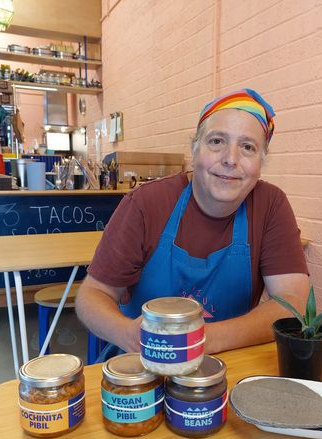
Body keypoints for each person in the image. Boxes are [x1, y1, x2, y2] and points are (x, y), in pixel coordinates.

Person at [76, 88, 310, 360]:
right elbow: (92, 295)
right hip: (143, 364)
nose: (230, 159)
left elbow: (292, 302)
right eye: (216, 141)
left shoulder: (271, 206)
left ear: (261, 162)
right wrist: (126, 333)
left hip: (227, 363)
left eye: (248, 147)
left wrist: (203, 340)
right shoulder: (146, 204)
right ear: (195, 150)